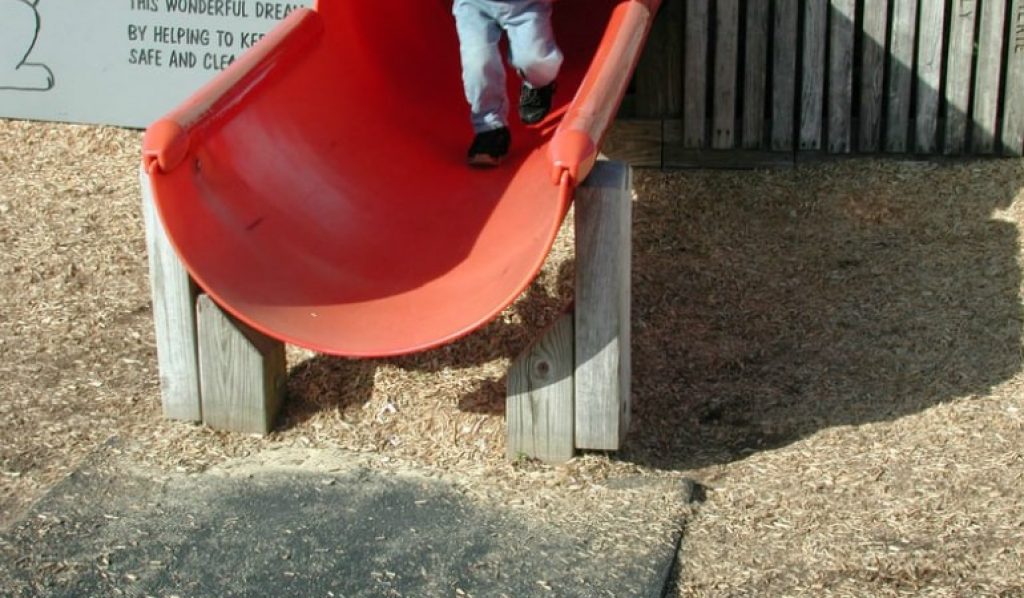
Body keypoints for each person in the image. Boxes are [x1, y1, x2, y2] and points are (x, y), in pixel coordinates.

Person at [453, 0, 563, 167]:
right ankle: (490, 129)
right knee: (478, 62)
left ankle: (539, 84)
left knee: (533, 59)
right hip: (474, 4)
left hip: (525, 5)